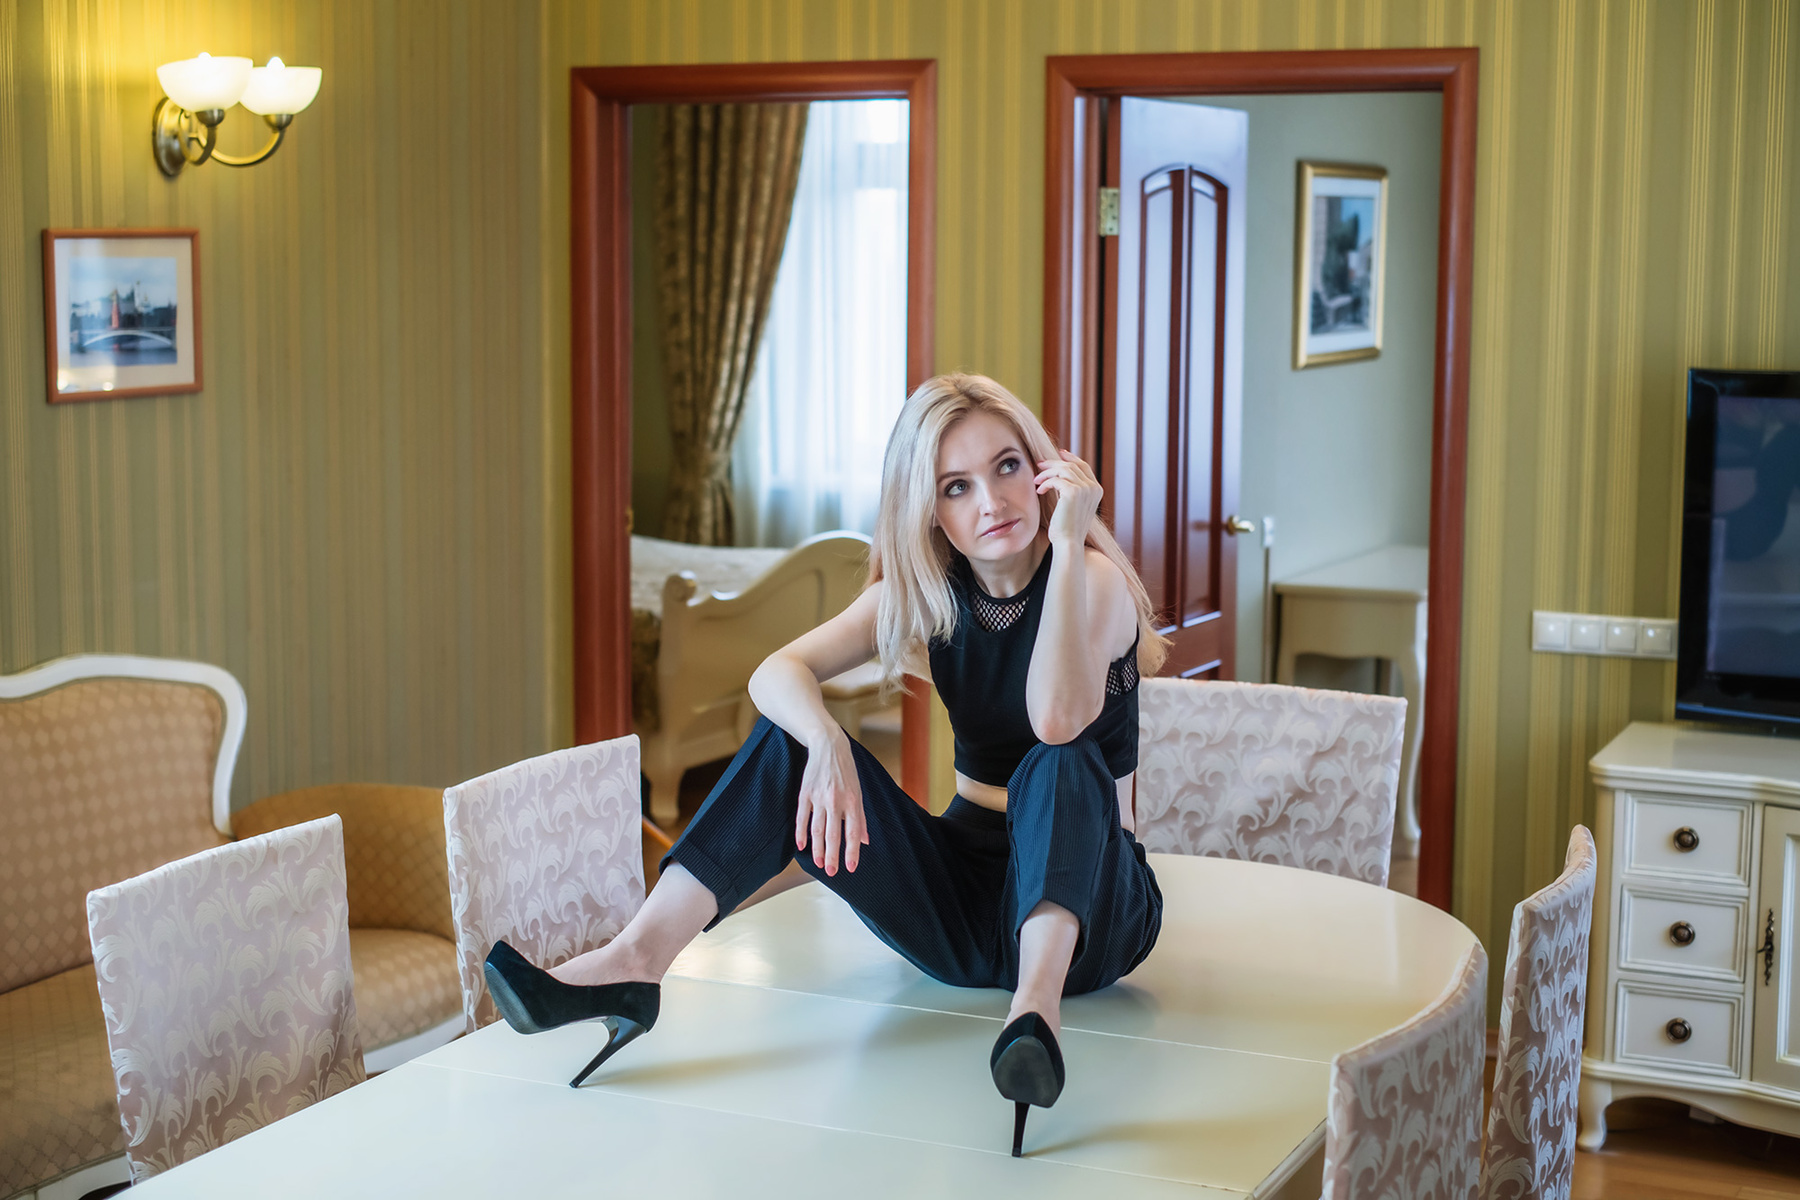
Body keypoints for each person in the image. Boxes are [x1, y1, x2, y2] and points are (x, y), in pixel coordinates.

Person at [482, 372, 1168, 1157]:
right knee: (789, 739)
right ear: (931, 510)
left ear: (1044, 470)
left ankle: (1033, 1017)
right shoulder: (932, 592)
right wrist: (826, 740)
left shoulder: (1094, 581)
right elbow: (775, 672)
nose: (992, 501)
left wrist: (1073, 539)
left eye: (1008, 467)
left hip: (1096, 912)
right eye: (957, 486)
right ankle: (635, 962)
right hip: (971, 906)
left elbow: (1056, 720)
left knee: (1057, 760)